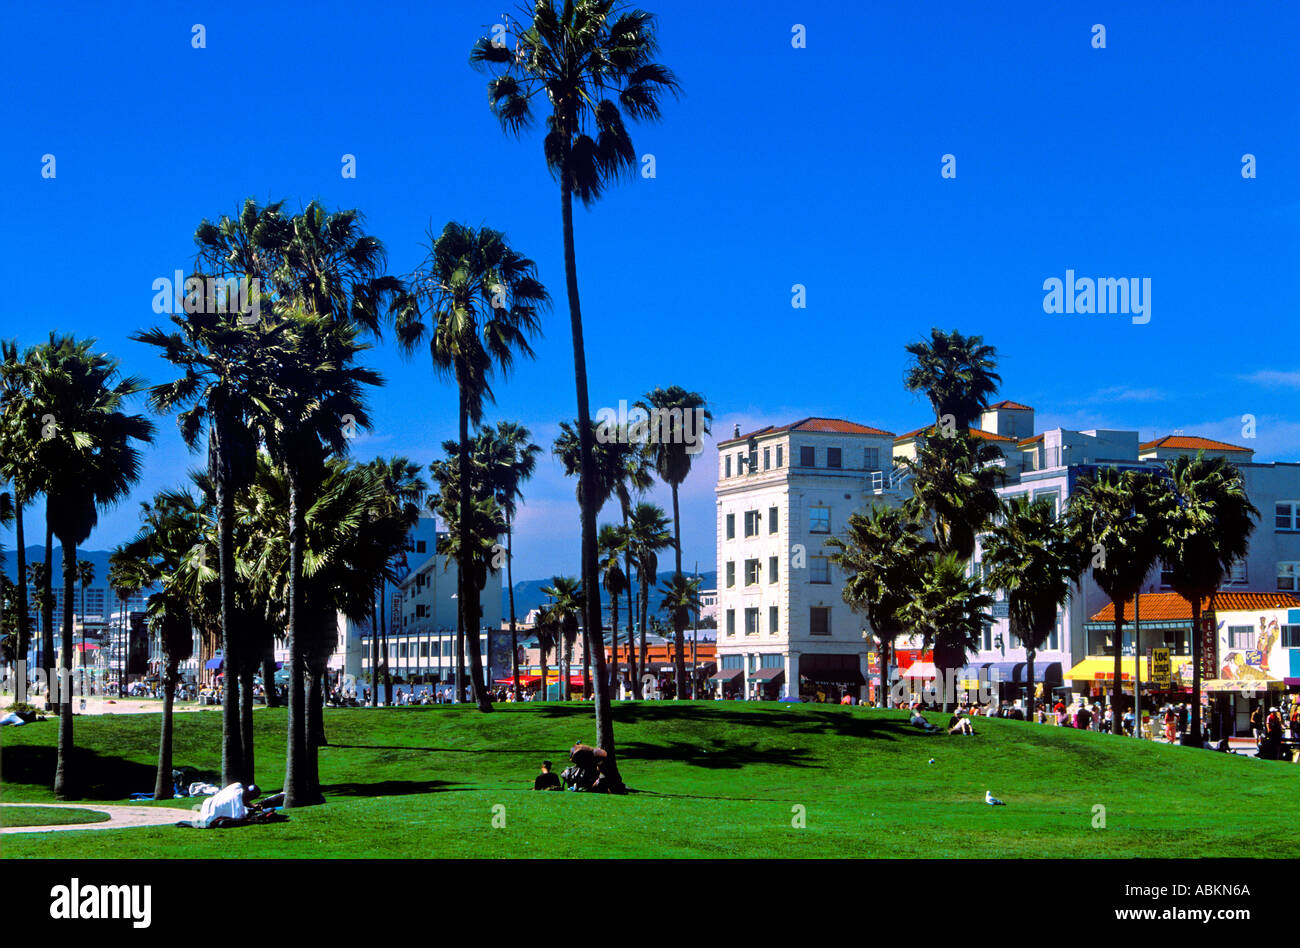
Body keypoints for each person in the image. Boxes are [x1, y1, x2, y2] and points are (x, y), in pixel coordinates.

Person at [195, 782, 260, 828]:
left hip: (206, 803)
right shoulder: (237, 804)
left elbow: (243, 799)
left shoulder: (236, 785)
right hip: (210, 816)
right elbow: (239, 817)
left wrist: (252, 806)